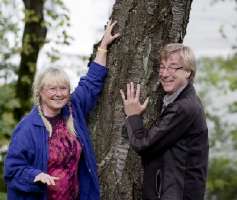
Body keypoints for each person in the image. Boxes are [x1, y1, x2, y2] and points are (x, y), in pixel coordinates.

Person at [4, 20, 120, 200]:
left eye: (63, 88)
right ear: (40, 92)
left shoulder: (73, 109)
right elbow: (12, 170)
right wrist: (35, 175)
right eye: (52, 89)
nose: (58, 94)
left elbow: (91, 82)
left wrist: (103, 46)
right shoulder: (27, 128)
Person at [120, 43, 209, 200]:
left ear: (188, 72)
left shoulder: (183, 108)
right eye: (162, 67)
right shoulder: (180, 99)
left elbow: (143, 145)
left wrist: (133, 116)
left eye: (173, 67)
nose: (165, 73)